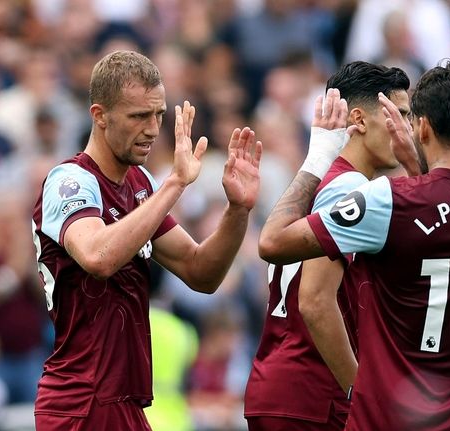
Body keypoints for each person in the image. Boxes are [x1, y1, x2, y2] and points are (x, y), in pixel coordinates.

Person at [258, 61, 450, 430]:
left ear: (422, 127)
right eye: (395, 115)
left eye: (406, 116)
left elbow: (274, 241)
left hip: (385, 410)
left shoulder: (388, 199)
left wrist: (318, 158)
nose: (401, 125)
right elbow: (448, 222)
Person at [31, 50, 262, 431]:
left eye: (159, 114)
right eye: (139, 116)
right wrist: (175, 183)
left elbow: (201, 272)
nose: (154, 129)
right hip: (81, 399)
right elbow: (98, 256)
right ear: (99, 115)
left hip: (125, 400)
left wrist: (238, 210)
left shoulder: (140, 186)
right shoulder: (69, 181)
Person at [243, 62, 412, 430]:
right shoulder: (352, 191)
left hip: (281, 384)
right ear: (360, 120)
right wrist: (361, 394)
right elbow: (316, 300)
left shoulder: (316, 180)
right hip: (315, 395)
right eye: (399, 115)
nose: (407, 129)